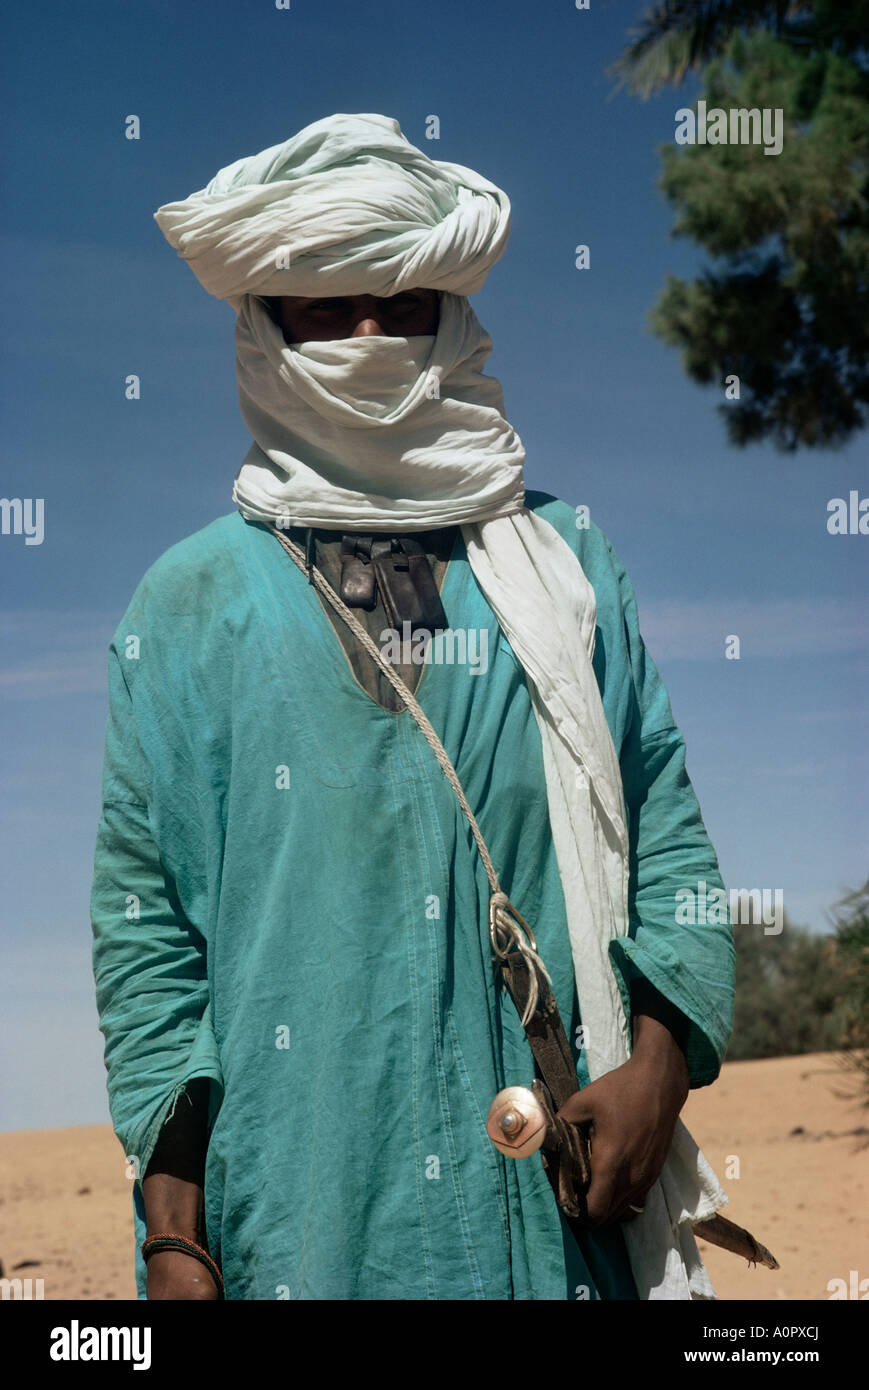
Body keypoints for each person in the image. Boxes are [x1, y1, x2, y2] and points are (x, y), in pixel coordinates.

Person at [90, 113, 734, 1301]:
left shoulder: (566, 563)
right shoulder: (184, 603)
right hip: (296, 1214)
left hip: (555, 1214)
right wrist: (175, 1232)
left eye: (402, 302)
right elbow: (146, 938)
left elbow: (671, 837)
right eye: (329, 307)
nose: (371, 333)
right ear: (267, 327)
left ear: (453, 314)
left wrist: (657, 1068)